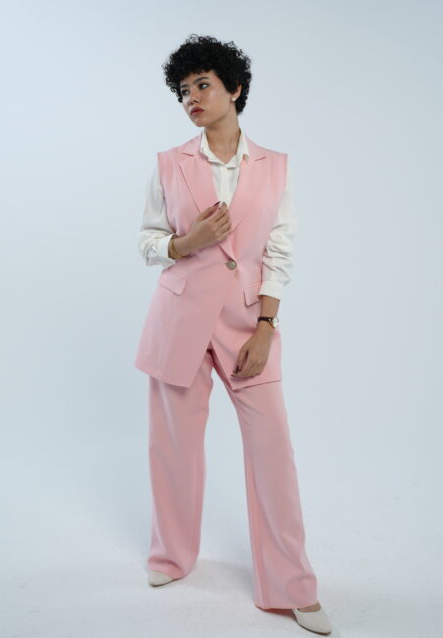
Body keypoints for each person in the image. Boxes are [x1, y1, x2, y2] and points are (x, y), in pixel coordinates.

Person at [134, 34, 332, 635]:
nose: (191, 98)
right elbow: (147, 241)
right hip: (178, 321)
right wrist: (185, 242)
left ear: (235, 88)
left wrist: (266, 325)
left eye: (203, 85)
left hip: (248, 325)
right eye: (183, 90)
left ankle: (291, 584)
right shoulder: (169, 163)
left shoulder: (275, 167)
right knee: (173, 448)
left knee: (274, 454)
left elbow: (279, 251)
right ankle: (172, 556)